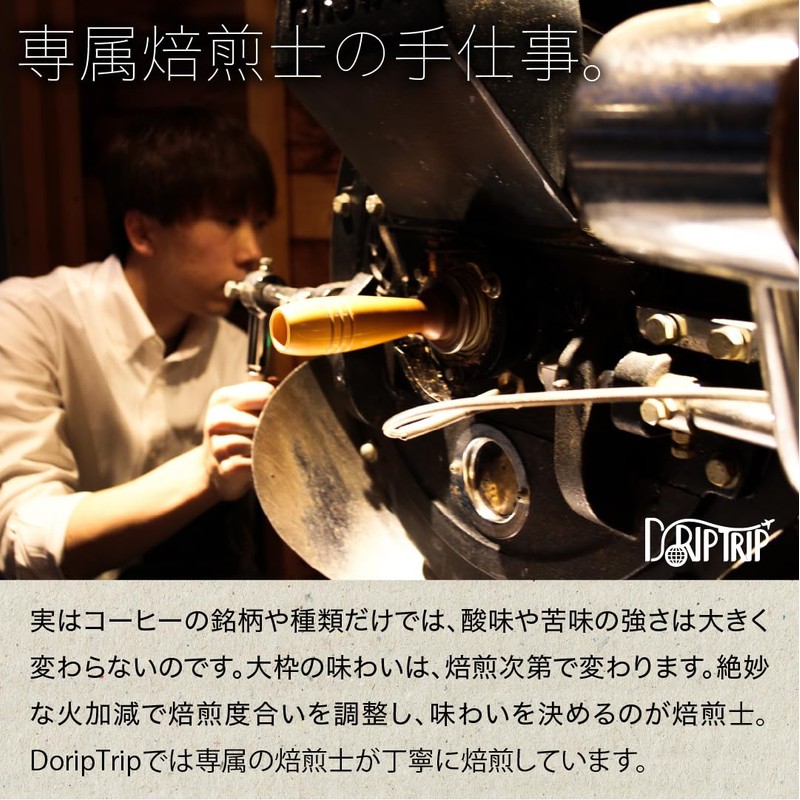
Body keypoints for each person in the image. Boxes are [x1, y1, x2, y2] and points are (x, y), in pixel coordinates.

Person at [0, 107, 277, 579]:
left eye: (259, 224)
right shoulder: (28, 317)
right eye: (229, 220)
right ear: (143, 232)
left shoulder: (235, 348)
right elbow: (22, 539)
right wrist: (205, 470)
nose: (253, 252)